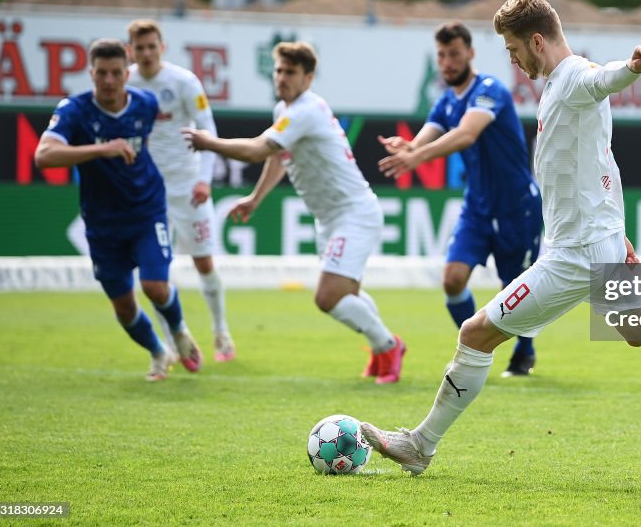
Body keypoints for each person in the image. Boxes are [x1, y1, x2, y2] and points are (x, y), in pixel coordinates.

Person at [359, 0, 641, 475]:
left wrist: (633, 67)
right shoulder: (558, 83)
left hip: (574, 255)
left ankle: (420, 446)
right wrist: (617, 230)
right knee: (640, 330)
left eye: (514, 49)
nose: (513, 59)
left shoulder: (571, 79)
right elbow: (604, 161)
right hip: (597, 241)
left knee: (475, 333)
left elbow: (600, 79)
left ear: (538, 40)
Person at [182, 41, 406, 384]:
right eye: (279, 71)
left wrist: (209, 142)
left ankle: (389, 346)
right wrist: (256, 198)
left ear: (308, 77)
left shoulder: (306, 110)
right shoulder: (286, 112)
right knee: (346, 295)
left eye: (291, 72)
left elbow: (259, 149)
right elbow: (277, 157)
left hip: (354, 213)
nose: (282, 78)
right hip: (329, 218)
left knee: (328, 297)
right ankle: (381, 350)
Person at [377, 22, 543, 377]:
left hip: (517, 207)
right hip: (478, 208)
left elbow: (467, 134)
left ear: (470, 53)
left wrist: (417, 157)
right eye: (441, 55)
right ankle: (474, 351)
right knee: (453, 279)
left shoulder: (489, 90)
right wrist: (407, 148)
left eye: (454, 54)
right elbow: (424, 139)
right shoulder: (445, 101)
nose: (447, 62)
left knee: (518, 290)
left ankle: (525, 353)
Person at [34, 38, 203, 381]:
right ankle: (158, 351)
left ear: (126, 74)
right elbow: (43, 156)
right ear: (90, 73)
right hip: (102, 222)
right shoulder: (74, 110)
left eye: (115, 73)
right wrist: (100, 150)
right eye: (101, 74)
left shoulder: (145, 103)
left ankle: (180, 329)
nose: (108, 81)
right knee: (124, 308)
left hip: (147, 210)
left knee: (155, 286)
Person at [126, 19, 235, 362]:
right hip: (147, 194)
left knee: (204, 262)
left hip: (188, 188)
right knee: (155, 273)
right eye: (139, 47)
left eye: (151, 46)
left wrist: (204, 179)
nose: (145, 53)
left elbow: (207, 129)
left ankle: (221, 333)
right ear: (131, 50)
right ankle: (173, 344)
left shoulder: (184, 82)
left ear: (162, 47)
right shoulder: (125, 82)